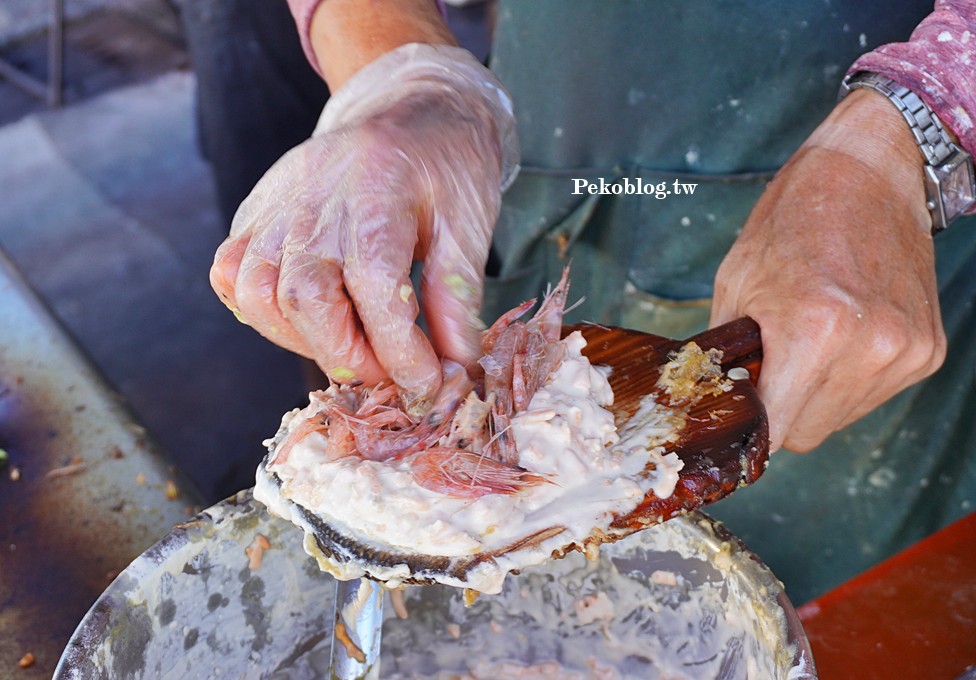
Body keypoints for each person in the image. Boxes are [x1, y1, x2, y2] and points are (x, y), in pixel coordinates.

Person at [190, 0, 976, 604]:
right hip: (559, 142)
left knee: (834, 599)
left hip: (894, 204)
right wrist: (394, 67)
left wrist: (917, 126)